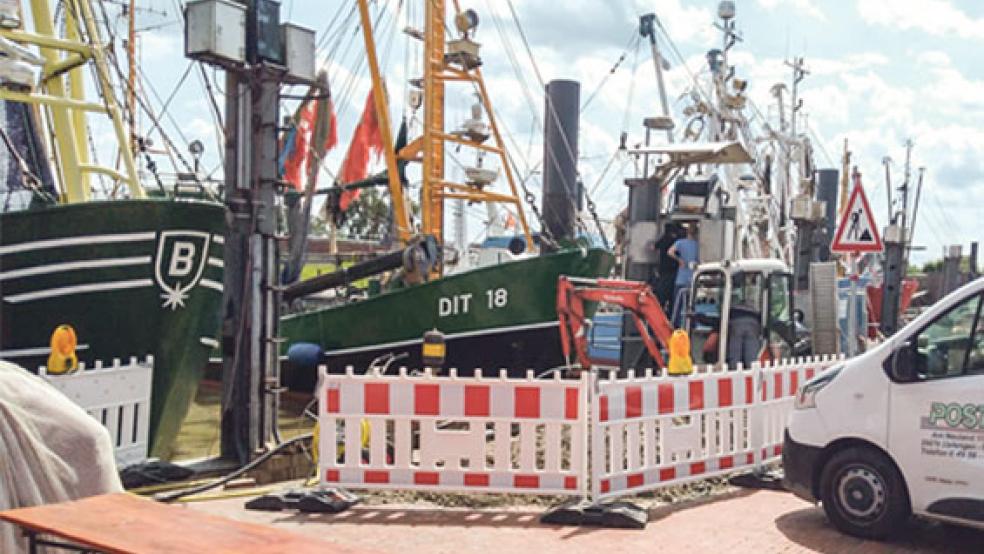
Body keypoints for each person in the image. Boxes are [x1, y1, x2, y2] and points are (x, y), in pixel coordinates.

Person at [667, 224, 699, 326]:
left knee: (677, 305)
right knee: (691, 305)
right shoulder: (698, 245)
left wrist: (679, 260)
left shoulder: (680, 242)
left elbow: (670, 252)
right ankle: (691, 325)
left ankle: (674, 325)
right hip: (693, 279)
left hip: (681, 279)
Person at [652, 223, 683, 311]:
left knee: (662, 292)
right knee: (672, 293)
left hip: (663, 269)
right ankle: (671, 311)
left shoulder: (663, 239)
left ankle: (660, 310)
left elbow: (653, 247)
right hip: (675, 269)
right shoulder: (677, 240)